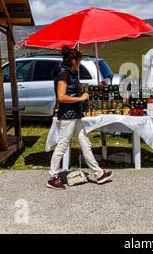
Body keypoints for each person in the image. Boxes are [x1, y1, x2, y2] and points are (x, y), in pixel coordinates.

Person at [47, 46, 113, 190]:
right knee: (63, 144)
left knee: (85, 143)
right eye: (79, 61)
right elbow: (61, 97)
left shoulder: (69, 72)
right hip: (68, 115)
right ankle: (52, 176)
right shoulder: (64, 74)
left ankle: (98, 173)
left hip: (75, 115)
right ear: (73, 60)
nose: (80, 64)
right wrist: (80, 98)